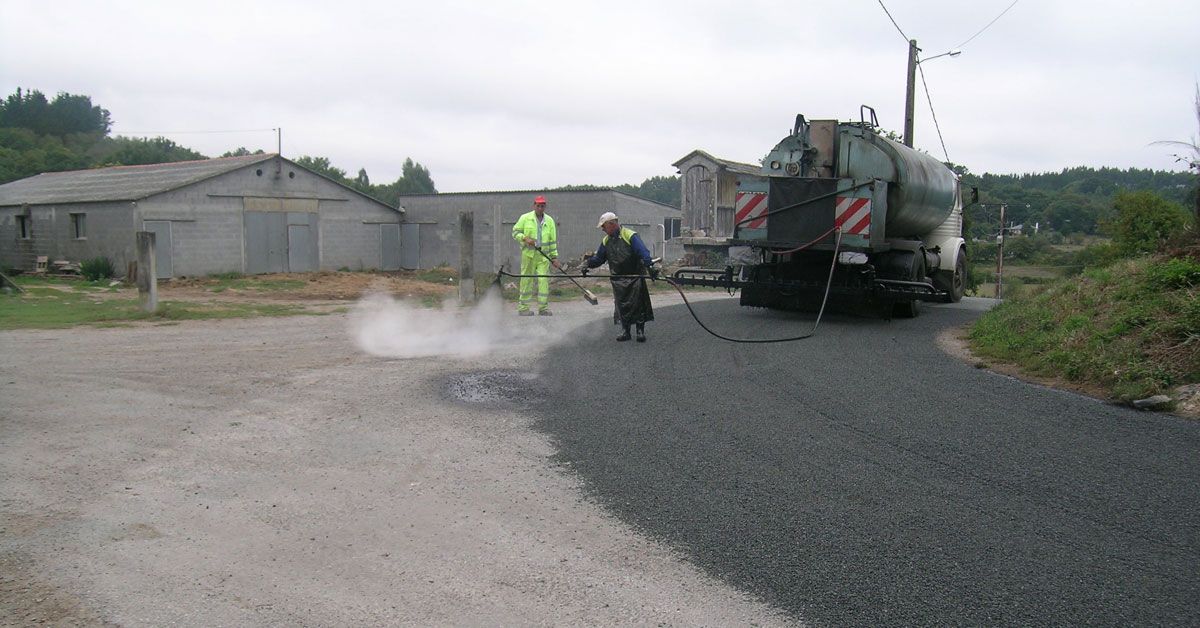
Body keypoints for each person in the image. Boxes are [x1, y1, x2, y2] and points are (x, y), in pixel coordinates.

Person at [581, 212, 658, 342]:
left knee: (638, 304)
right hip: (618, 279)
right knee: (621, 305)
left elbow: (642, 251)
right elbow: (599, 258)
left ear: (612, 224)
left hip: (635, 276)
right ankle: (625, 331)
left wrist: (649, 265)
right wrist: (588, 264)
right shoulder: (606, 241)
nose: (603, 229)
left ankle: (640, 331)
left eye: (604, 226)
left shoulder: (630, 235)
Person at [511, 195, 560, 316]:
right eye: (538, 206)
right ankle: (523, 308)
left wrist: (554, 257)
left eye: (542, 206)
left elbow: (553, 241)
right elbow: (515, 232)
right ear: (534, 206)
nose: (540, 208)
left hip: (544, 257)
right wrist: (524, 238)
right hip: (529, 255)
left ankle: (543, 308)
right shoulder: (525, 218)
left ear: (545, 207)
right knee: (527, 281)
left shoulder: (549, 221)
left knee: (543, 281)